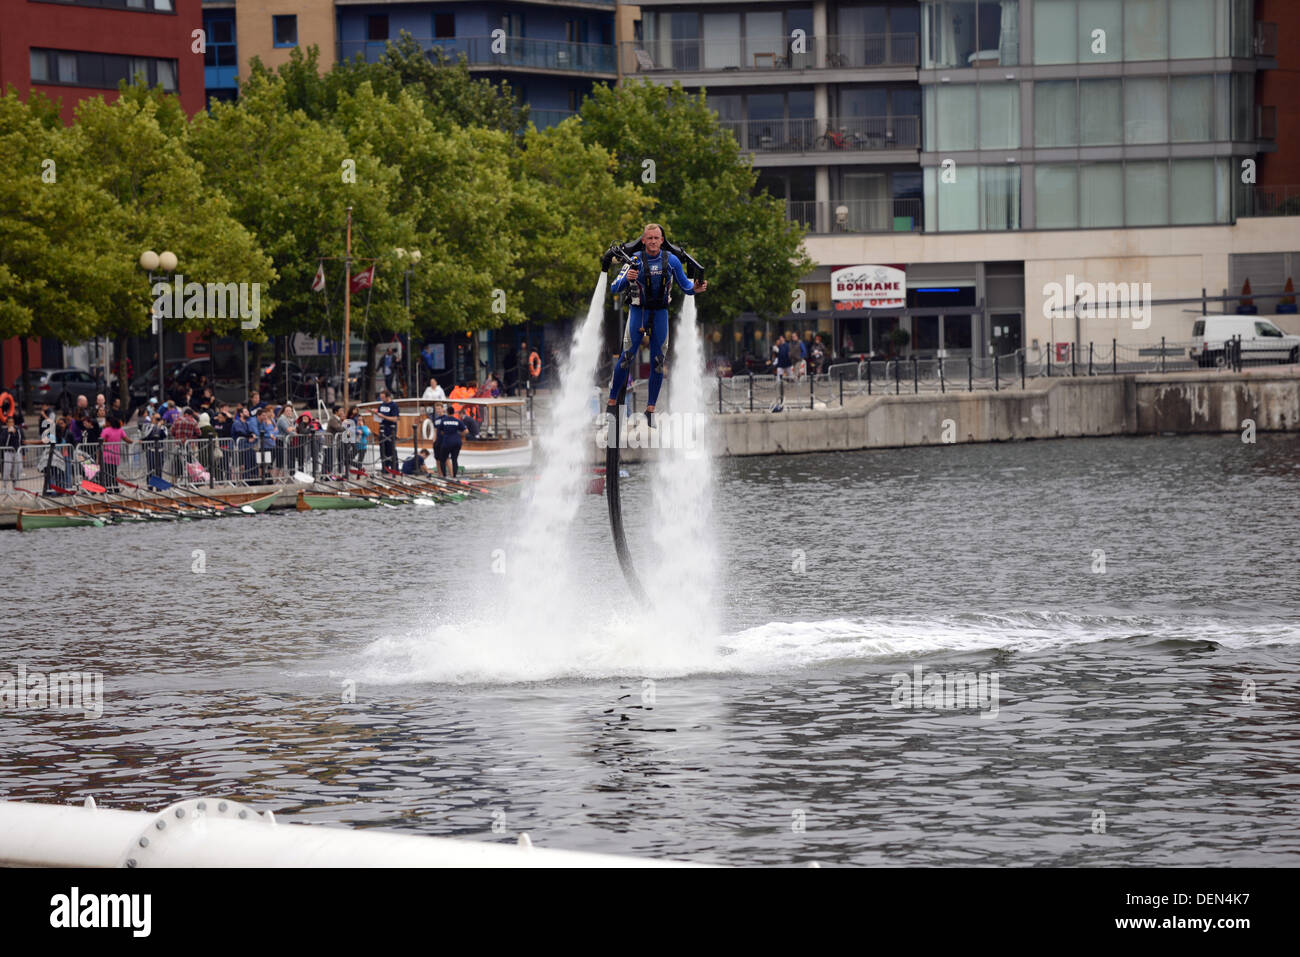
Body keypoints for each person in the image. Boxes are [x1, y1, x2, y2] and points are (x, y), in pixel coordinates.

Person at [605, 224, 707, 427]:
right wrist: (627, 278)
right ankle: (612, 401)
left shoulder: (672, 261)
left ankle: (650, 409)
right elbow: (614, 287)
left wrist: (697, 288)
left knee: (659, 361)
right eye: (649, 238)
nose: (652, 241)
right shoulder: (633, 261)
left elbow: (687, 287)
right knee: (626, 357)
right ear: (643, 240)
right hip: (638, 312)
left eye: (656, 238)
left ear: (662, 240)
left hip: (660, 313)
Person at [431, 403, 467, 477]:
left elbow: (444, 430)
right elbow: (435, 431)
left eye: (439, 409)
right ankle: (440, 475)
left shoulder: (446, 418)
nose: (438, 410)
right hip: (438, 442)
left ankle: (451, 475)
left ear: (443, 409)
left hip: (445, 442)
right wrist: (434, 441)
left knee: (446, 460)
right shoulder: (436, 420)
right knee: (438, 459)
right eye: (436, 409)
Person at [99, 415, 130, 491]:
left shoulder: (105, 430)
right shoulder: (120, 430)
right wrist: (135, 441)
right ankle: (116, 490)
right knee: (114, 473)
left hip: (106, 455)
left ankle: (108, 490)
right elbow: (127, 439)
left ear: (108, 422)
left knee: (107, 474)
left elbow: (101, 442)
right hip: (115, 456)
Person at [376, 389, 400, 473]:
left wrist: (383, 417)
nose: (382, 399)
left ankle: (394, 468)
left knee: (391, 448)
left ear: (387, 397)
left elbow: (395, 418)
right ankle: (385, 468)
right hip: (382, 429)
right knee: (383, 449)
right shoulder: (381, 405)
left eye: (383, 397)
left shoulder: (393, 405)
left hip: (390, 430)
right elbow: (379, 417)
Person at [0, 416, 21, 490]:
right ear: (7, 423)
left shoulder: (17, 430)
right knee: (7, 470)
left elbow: (19, 441)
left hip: (16, 452)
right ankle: (4, 486)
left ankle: (15, 486)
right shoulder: (4, 431)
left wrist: (14, 433)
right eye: (9, 422)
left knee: (15, 470)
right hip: (7, 452)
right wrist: (9, 433)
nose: (11, 424)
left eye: (12, 422)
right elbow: (3, 442)